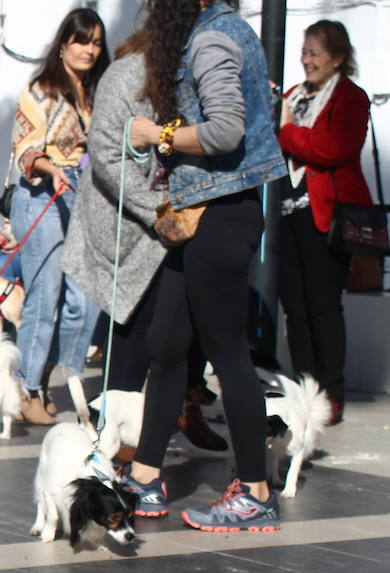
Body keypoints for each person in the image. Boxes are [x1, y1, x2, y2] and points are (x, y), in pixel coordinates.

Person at [120, 0, 288, 531]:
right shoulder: (213, 31)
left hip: (221, 214)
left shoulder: (213, 38)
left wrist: (157, 135)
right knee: (168, 342)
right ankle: (145, 477)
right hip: (198, 214)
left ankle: (256, 492)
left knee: (226, 350)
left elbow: (225, 131)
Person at [60, 33, 227, 457]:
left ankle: (181, 410)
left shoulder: (199, 72)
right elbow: (107, 154)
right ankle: (117, 450)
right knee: (135, 330)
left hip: (177, 222)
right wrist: (160, 209)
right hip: (132, 228)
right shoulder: (128, 75)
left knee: (184, 332)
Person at [9, 8, 110, 426]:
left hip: (83, 202)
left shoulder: (97, 92)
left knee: (83, 301)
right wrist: (53, 169)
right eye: (82, 40)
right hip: (40, 197)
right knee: (44, 297)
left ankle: (56, 378)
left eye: (96, 42)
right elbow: (24, 151)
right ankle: (27, 387)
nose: (89, 49)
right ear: (64, 43)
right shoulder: (41, 90)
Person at [277, 20, 372, 426]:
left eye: (315, 52)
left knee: (322, 307)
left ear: (337, 57)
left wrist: (286, 133)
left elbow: (332, 147)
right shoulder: (293, 96)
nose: (307, 60)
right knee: (294, 308)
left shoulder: (351, 98)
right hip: (285, 214)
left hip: (326, 216)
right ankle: (304, 390)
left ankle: (332, 393)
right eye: (304, 52)